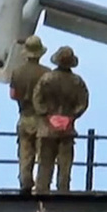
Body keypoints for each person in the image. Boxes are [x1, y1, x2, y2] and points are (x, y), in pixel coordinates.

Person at [32, 46, 89, 193]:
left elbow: (37, 100)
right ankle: (63, 192)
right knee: (65, 165)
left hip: (47, 129)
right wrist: (70, 118)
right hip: (67, 130)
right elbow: (83, 103)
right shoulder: (77, 82)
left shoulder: (46, 79)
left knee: (45, 163)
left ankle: (41, 192)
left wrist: (48, 116)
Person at [9, 36, 51, 194]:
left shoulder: (17, 72)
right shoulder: (47, 73)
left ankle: (25, 182)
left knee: (25, 152)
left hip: (25, 116)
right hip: (43, 119)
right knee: (44, 155)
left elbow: (13, 94)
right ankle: (41, 186)